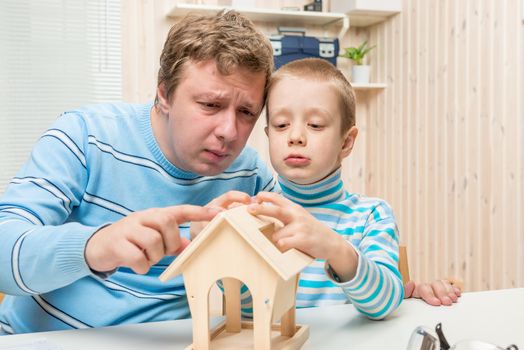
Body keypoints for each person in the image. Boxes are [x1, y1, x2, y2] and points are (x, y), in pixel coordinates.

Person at [0, 10, 276, 335]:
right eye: (210, 105)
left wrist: (228, 255)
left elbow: (270, 296)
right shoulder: (85, 135)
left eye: (246, 112)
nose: (229, 131)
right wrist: (96, 245)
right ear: (164, 94)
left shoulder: (251, 174)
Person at [246, 58, 460, 319]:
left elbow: (384, 303)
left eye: (315, 125)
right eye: (281, 125)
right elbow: (247, 310)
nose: (295, 136)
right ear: (269, 135)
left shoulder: (372, 215)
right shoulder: (257, 216)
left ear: (346, 142)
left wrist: (335, 248)